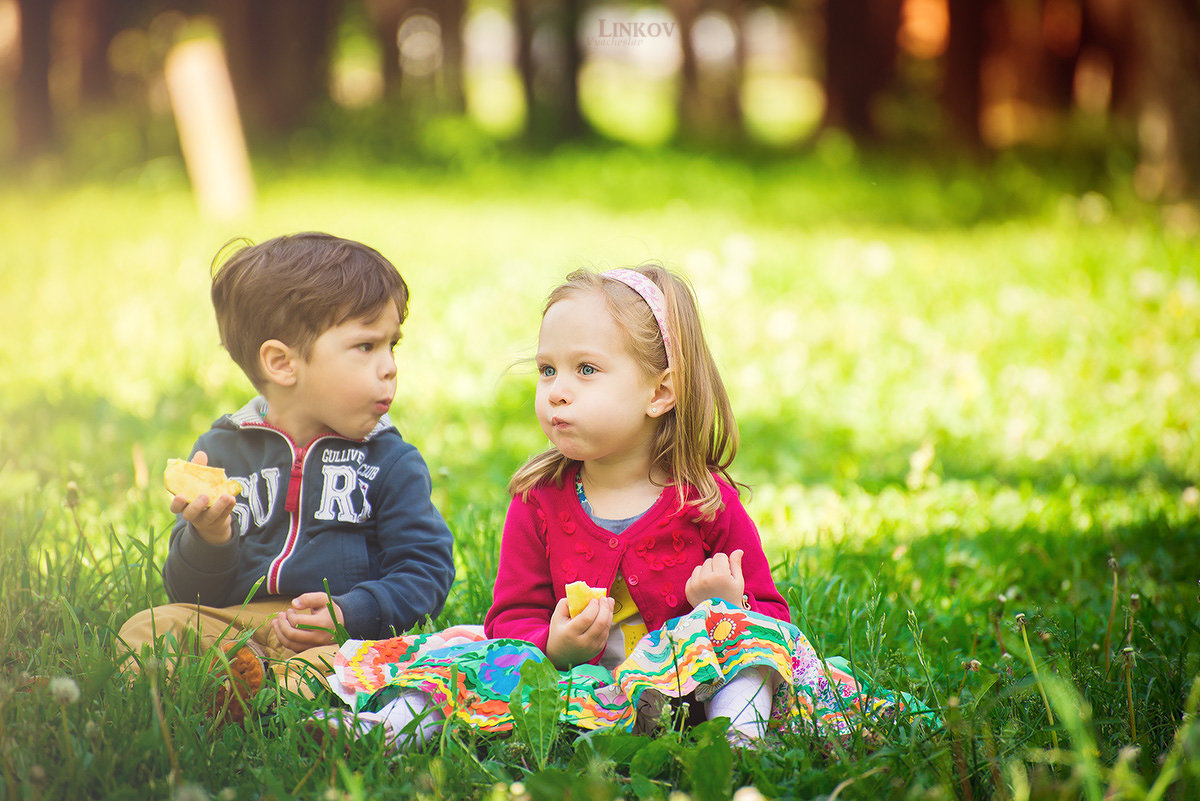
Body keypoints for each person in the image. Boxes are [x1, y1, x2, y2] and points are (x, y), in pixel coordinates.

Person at [319, 265, 925, 749]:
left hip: (680, 690)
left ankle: (740, 738)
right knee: (467, 660)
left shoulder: (706, 502)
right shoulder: (540, 501)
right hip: (570, 683)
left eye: (586, 370)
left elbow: (774, 617)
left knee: (746, 637)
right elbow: (511, 616)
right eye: (548, 369)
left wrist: (723, 606)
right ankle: (386, 732)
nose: (557, 390)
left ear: (661, 392)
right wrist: (554, 646)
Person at [117, 232, 456, 712]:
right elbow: (191, 592)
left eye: (392, 346)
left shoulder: (389, 460)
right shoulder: (221, 451)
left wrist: (350, 612)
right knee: (150, 626)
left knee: (331, 670)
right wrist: (209, 538)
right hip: (237, 620)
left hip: (336, 635)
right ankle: (216, 687)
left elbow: (427, 571)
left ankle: (255, 696)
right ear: (282, 363)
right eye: (366, 346)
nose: (389, 368)